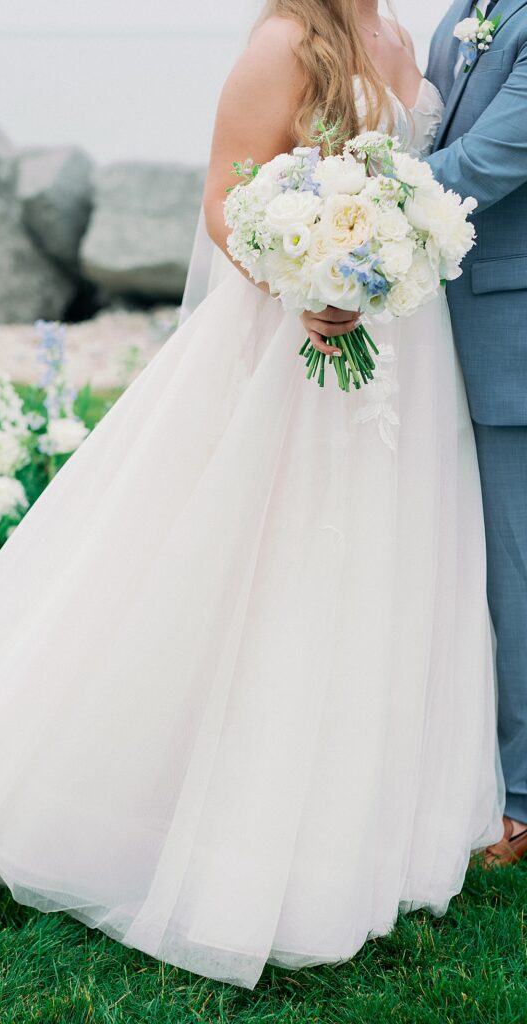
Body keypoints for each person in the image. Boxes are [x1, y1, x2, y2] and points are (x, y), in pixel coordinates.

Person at [0, 0, 505, 990]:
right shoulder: (286, 41)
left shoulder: (405, 39)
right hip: (297, 343)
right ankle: (196, 793)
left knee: (372, 567)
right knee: (263, 563)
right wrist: (308, 281)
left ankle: (349, 800)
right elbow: (222, 201)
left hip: (402, 351)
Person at [310, 0, 527, 868]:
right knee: (463, 564)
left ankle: (520, 797)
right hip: (435, 334)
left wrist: (350, 210)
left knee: (517, 574)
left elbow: (491, 156)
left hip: (508, 331)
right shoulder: (455, 15)